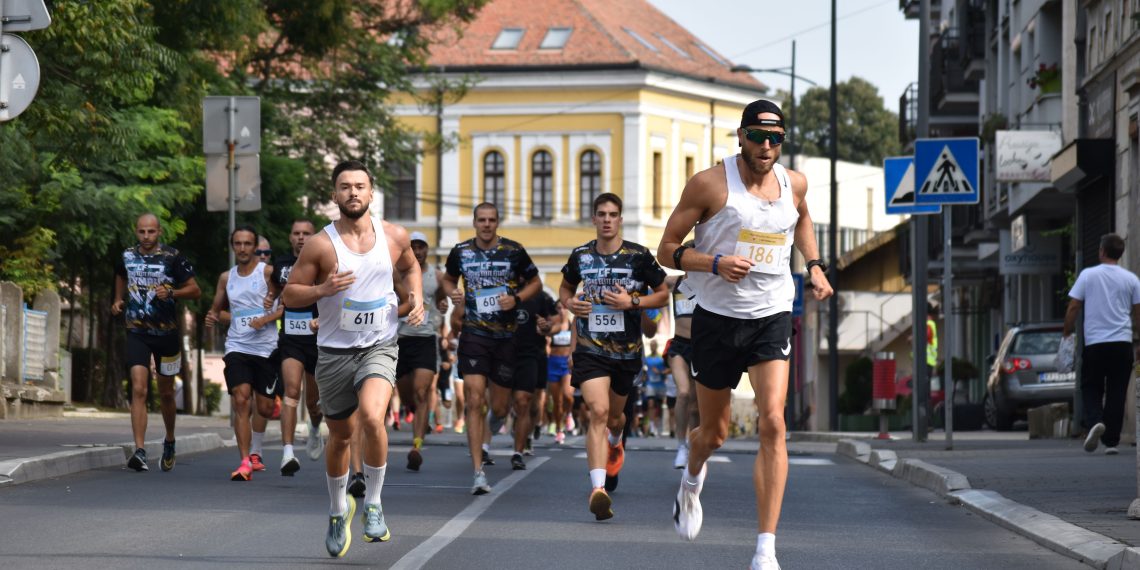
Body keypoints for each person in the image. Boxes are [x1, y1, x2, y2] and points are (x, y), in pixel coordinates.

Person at [656, 100, 833, 570]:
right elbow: (666, 250)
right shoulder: (710, 184)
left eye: (776, 138)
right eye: (757, 136)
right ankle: (691, 481)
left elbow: (802, 217)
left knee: (773, 421)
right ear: (741, 136)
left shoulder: (794, 183)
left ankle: (765, 550)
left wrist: (815, 265)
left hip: (771, 315)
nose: (766, 146)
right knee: (714, 434)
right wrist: (714, 262)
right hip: (716, 318)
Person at [283, 159, 424, 557]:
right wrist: (321, 290)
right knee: (341, 436)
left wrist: (417, 297)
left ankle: (373, 504)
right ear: (335, 195)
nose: (353, 193)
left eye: (360, 186)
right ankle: (337, 509)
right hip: (334, 352)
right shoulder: (320, 244)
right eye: (345, 187)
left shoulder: (393, 235)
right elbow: (290, 294)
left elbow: (410, 267)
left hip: (379, 345)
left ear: (371, 193)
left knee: (373, 418)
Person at [559, 192, 668, 521]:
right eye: (601, 214)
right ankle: (598, 489)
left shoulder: (638, 256)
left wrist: (632, 303)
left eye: (613, 214)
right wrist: (570, 303)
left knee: (616, 418)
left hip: (626, 352)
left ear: (620, 219)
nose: (607, 220)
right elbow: (565, 289)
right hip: (590, 348)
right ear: (594, 218)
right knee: (598, 411)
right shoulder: (580, 256)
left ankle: (616, 441)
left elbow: (663, 293)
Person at [441, 202, 542, 495]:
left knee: (499, 407)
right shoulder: (461, 251)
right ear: (474, 223)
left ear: (497, 223)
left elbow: (536, 282)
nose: (486, 224)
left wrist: (517, 299)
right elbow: (448, 279)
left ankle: (492, 426)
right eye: (482, 220)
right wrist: (454, 293)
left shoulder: (513, 251)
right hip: (474, 335)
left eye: (491, 220)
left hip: (506, 337)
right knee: (474, 399)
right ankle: (478, 472)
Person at [112, 213, 201, 472]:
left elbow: (195, 290)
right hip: (137, 331)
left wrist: (172, 292)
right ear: (136, 231)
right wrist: (118, 299)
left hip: (166, 334)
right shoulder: (127, 255)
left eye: (151, 231)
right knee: (139, 388)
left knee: (166, 393)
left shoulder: (173, 257)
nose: (146, 236)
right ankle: (139, 451)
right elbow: (120, 274)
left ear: (159, 231)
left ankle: (169, 440)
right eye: (142, 231)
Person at [206, 226, 280, 481]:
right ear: (233, 246)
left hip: (266, 349)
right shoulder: (226, 278)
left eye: (248, 243)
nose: (243, 248)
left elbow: (291, 301)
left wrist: (267, 317)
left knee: (265, 407)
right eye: (238, 243)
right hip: (237, 346)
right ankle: (245, 461)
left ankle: (256, 450)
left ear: (255, 247)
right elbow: (217, 309)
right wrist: (212, 316)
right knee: (241, 399)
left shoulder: (267, 273)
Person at [1063, 233, 1140, 456]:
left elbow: (1074, 306)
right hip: (1122, 343)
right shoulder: (1131, 279)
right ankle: (1111, 441)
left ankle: (1095, 421)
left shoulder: (1088, 275)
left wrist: (1067, 332)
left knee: (1090, 385)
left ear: (1102, 251)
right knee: (1117, 390)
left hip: (1096, 343)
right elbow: (1138, 313)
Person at [266, 219, 325, 473]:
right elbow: (274, 287)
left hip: (317, 338)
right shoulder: (281, 264)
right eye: (297, 233)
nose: (301, 237)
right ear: (290, 237)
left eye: (306, 234)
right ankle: (287, 454)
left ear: (314, 237)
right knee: (291, 391)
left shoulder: (322, 263)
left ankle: (315, 427)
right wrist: (271, 296)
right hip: (290, 337)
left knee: (313, 403)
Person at [395, 231, 445, 472]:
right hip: (400, 339)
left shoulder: (436, 276)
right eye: (413, 246)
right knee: (407, 396)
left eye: (421, 246)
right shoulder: (396, 273)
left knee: (421, 391)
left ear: (427, 249)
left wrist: (444, 304)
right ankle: (415, 411)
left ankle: (417, 446)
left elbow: (443, 298)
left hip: (425, 338)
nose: (417, 251)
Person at [511, 289, 562, 468]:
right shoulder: (504, 289)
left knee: (533, 404)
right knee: (513, 403)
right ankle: (519, 429)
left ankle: (527, 436)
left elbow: (557, 324)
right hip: (507, 353)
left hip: (536, 354)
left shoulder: (542, 297)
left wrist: (547, 329)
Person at [666, 271, 700, 468]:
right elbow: (650, 282)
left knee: (695, 406)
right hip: (679, 345)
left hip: (702, 347)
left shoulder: (708, 281)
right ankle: (681, 446)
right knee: (683, 393)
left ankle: (694, 447)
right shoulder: (674, 281)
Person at [547, 315, 574, 444]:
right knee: (557, 402)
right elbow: (547, 342)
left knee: (568, 395)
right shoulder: (552, 324)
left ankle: (569, 414)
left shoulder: (572, 323)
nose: (561, 310)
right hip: (553, 362)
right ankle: (559, 429)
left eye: (563, 307)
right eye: (558, 307)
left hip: (566, 363)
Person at [642, 339, 668, 437]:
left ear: (656, 346)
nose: (652, 347)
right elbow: (644, 370)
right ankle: (652, 427)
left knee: (659, 407)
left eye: (654, 345)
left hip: (660, 385)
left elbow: (667, 370)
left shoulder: (661, 359)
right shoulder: (647, 359)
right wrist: (644, 376)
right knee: (650, 404)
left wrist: (660, 372)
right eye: (651, 345)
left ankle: (658, 426)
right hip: (650, 385)